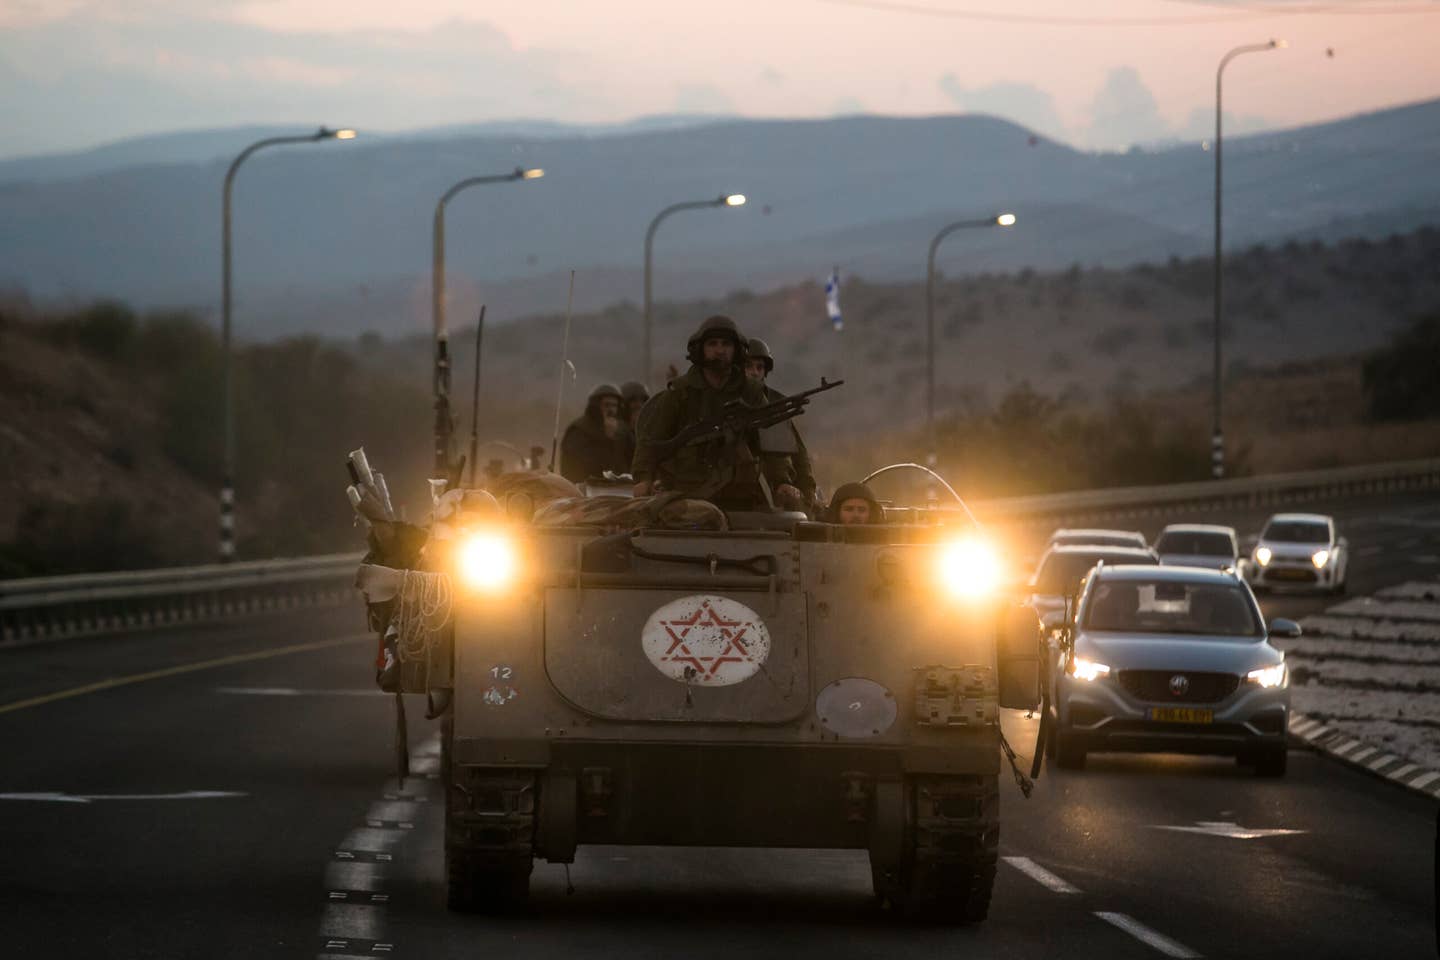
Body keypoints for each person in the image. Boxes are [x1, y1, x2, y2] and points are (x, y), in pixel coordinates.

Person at [631, 315, 770, 507]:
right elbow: (650, 441)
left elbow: (773, 443)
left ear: (736, 349)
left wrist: (783, 482)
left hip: (742, 496)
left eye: (726, 344)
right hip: (685, 494)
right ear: (701, 349)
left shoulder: (751, 392)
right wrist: (643, 479)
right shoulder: (680, 393)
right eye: (712, 344)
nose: (719, 350)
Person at [744, 337, 816, 511]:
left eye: (759, 367)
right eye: (748, 366)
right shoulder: (724, 402)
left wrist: (807, 493)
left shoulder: (776, 403)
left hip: (778, 488)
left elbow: (799, 455)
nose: (754, 372)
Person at [559, 383, 630, 484]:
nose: (611, 410)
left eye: (614, 405)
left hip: (621, 489)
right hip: (587, 489)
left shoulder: (623, 430)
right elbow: (578, 466)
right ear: (596, 405)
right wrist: (607, 439)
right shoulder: (579, 430)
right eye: (606, 405)